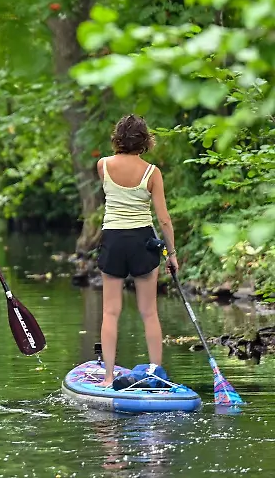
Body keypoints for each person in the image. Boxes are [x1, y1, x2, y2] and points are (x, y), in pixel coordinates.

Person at [95, 114, 178, 387]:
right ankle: (155, 375)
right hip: (142, 241)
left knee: (110, 312)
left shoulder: (103, 165)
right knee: (149, 312)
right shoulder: (152, 172)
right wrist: (172, 254)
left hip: (113, 240)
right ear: (145, 141)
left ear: (117, 138)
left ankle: (108, 377)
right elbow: (163, 219)